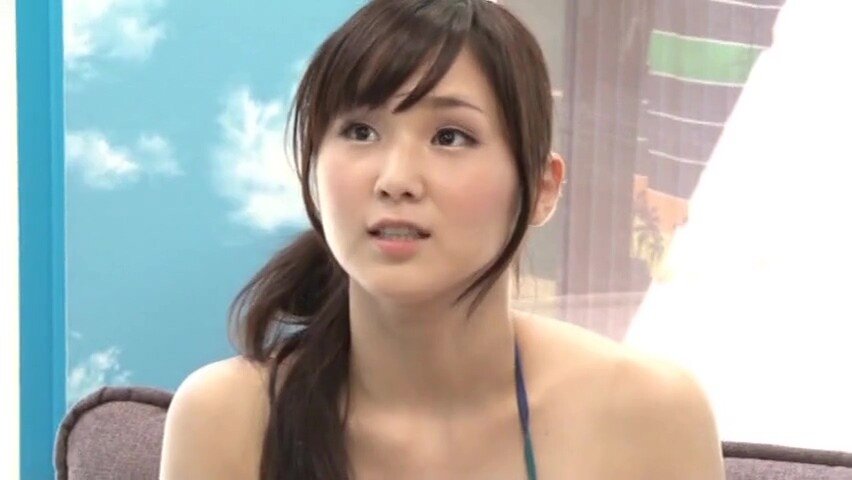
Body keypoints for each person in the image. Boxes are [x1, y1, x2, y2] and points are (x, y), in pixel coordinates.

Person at [159, 1, 725, 479]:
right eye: (360, 131)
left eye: (450, 137)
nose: (396, 179)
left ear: (542, 188)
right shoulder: (226, 419)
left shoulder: (649, 415)